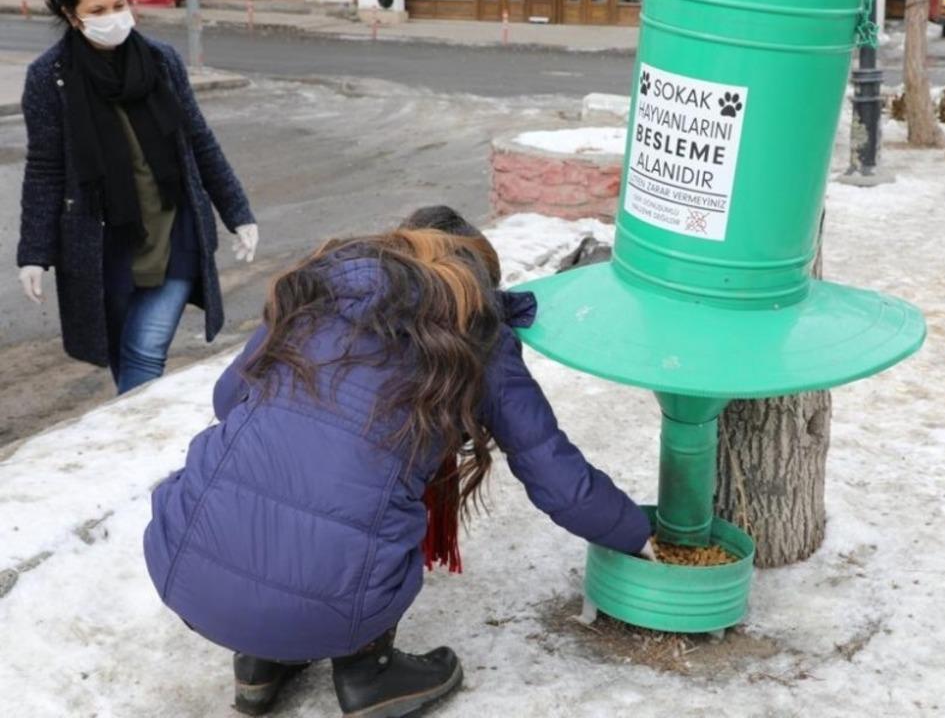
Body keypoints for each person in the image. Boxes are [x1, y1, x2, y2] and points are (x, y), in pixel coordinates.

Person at [143, 207, 653, 718]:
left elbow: (228, 397)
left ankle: (260, 662)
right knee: (372, 509)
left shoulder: (313, 295)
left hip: (183, 568)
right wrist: (633, 531)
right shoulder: (476, 335)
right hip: (326, 606)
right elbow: (556, 475)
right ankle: (371, 676)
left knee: (275, 478)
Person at [16, 0, 258, 394]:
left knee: (146, 351)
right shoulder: (49, 79)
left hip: (173, 230)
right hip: (103, 244)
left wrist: (238, 212)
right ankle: (128, 435)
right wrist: (34, 251)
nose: (113, 18)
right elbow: (46, 169)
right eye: (97, 11)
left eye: (119, 5)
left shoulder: (160, 61)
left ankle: (131, 442)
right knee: (122, 353)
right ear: (71, 15)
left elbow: (199, 142)